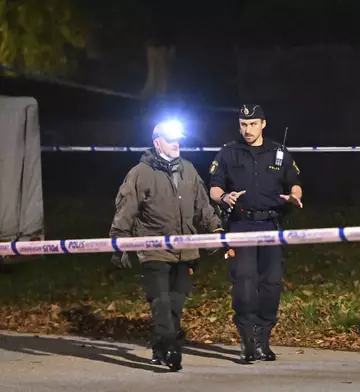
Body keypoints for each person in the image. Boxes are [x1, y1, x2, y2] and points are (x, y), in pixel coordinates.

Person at [109, 119, 222, 371]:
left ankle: (159, 347)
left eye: (179, 139)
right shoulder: (140, 173)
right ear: (157, 142)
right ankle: (171, 347)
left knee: (175, 303)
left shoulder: (189, 170)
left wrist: (216, 230)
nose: (177, 144)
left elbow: (202, 206)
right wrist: (119, 242)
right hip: (154, 250)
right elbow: (125, 209)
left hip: (186, 251)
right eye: (171, 140)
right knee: (160, 301)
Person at [208, 104, 303, 363]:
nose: (247, 129)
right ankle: (247, 339)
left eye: (252, 124)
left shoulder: (279, 153)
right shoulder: (229, 152)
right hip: (241, 226)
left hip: (271, 227)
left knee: (271, 283)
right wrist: (224, 197)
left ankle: (263, 339)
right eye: (243, 124)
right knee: (245, 283)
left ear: (263, 124)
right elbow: (214, 189)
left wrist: (294, 197)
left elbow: (295, 183)